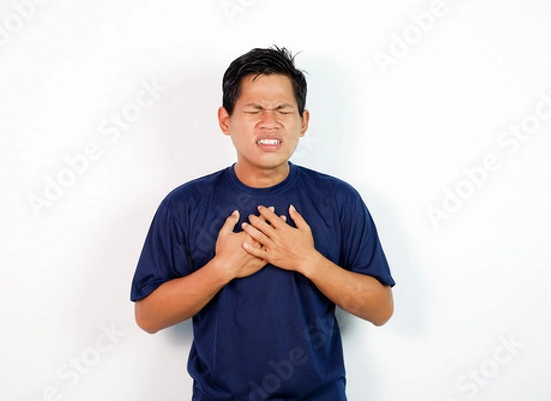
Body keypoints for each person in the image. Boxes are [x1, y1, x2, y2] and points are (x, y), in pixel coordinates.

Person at [130, 46, 395, 401]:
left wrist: (307, 260)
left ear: (303, 121)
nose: (269, 122)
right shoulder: (185, 205)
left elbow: (381, 309)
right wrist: (221, 269)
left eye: (283, 110)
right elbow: (148, 317)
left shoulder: (339, 200)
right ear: (226, 120)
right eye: (254, 109)